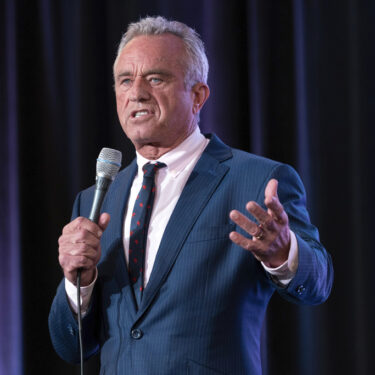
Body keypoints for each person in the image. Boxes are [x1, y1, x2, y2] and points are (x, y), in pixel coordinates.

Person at [49, 16, 333, 375]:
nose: (136, 92)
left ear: (197, 95)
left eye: (155, 78)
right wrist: (79, 282)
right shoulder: (95, 200)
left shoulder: (258, 181)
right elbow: (69, 344)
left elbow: (320, 281)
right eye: (125, 80)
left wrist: (283, 253)